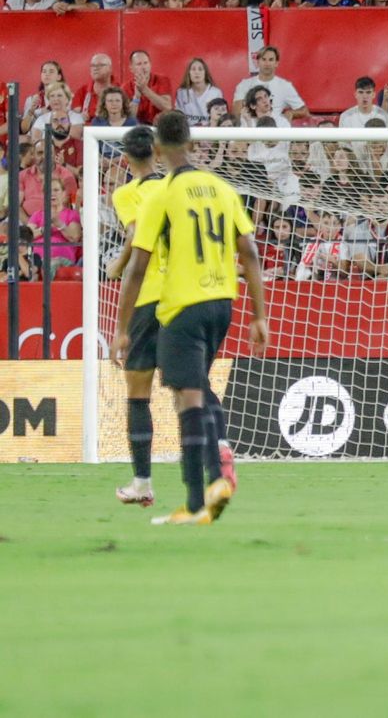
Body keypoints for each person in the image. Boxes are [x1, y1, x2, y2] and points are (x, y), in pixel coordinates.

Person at [112, 111, 269, 526]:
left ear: (158, 149)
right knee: (195, 388)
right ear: (194, 144)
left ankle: (204, 492)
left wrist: (121, 327)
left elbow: (137, 265)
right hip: (224, 302)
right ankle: (209, 488)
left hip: (181, 304)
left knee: (188, 398)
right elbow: (250, 252)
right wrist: (260, 316)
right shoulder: (221, 187)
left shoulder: (161, 194)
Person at [106, 125, 167, 507]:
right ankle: (217, 461)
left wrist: (118, 263)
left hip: (146, 299)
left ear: (126, 159)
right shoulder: (175, 186)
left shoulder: (126, 193)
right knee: (192, 389)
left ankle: (142, 482)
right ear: (157, 152)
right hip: (185, 296)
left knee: (139, 395)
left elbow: (134, 235)